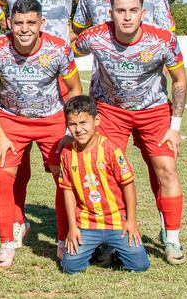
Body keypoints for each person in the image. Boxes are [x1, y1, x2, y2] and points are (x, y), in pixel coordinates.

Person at [72, 0, 187, 265]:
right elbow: (67, 52)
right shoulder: (95, 36)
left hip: (155, 111)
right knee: (104, 172)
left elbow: (180, 81)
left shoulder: (162, 40)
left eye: (133, 11)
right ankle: (110, 236)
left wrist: (175, 126)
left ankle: (171, 237)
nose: (127, 17)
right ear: (110, 14)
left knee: (166, 169)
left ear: (142, 13)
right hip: (111, 111)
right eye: (120, 11)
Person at [0, 0, 85, 248]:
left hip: (56, 77)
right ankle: (13, 222)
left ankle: (74, 228)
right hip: (16, 79)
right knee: (14, 168)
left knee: (64, 168)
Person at [0, 0, 82, 267]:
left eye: (31, 23)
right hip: (11, 120)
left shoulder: (58, 49)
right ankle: (8, 242)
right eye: (18, 23)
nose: (24, 29)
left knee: (64, 178)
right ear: (9, 22)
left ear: (41, 23)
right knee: (1, 176)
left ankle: (62, 240)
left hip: (52, 120)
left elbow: (76, 89)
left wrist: (70, 129)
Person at [56, 95, 149, 274]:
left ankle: (112, 250)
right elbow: (67, 191)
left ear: (96, 120)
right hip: (87, 223)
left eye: (83, 123)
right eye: (73, 124)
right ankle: (99, 251)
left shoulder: (111, 150)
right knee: (69, 267)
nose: (79, 129)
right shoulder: (67, 155)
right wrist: (72, 227)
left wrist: (131, 221)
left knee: (140, 265)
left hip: (116, 222)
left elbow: (128, 184)